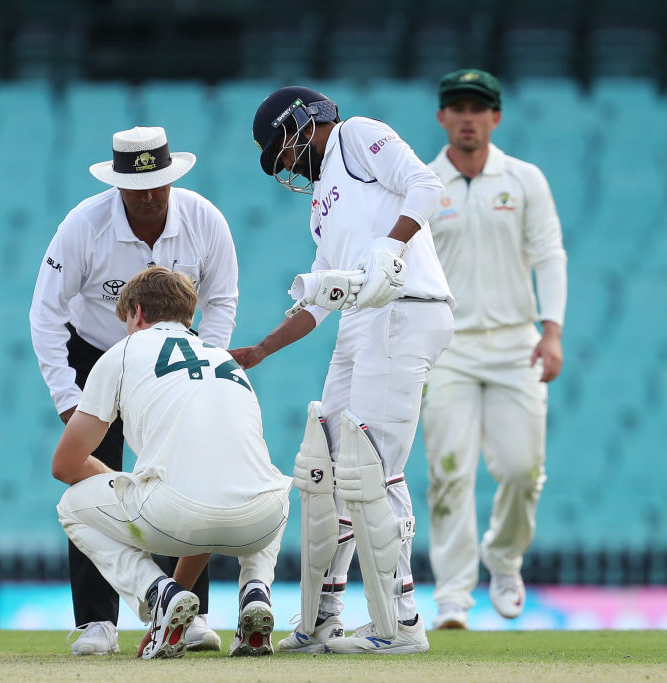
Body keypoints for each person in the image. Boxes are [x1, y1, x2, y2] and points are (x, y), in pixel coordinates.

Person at [233, 86, 455, 654]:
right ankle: (324, 615)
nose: (284, 165)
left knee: (371, 468)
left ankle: (401, 623)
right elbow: (318, 301)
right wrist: (260, 350)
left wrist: (392, 248)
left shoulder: (356, 135)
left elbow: (427, 185)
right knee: (324, 471)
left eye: (280, 151)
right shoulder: (318, 206)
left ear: (302, 124)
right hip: (361, 319)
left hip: (405, 307)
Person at [29, 126, 239, 655]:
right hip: (96, 356)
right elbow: (46, 313)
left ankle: (187, 615)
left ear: (172, 177)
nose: (147, 196)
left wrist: (201, 365)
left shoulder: (204, 220)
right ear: (117, 182)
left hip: (172, 358)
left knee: (185, 477)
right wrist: (66, 396)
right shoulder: (84, 225)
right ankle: (97, 623)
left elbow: (223, 299)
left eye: (158, 184)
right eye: (136, 186)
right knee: (88, 483)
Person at [52, 266, 291, 659]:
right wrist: (177, 599)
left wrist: (125, 485)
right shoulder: (225, 360)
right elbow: (209, 501)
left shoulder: (123, 352)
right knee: (261, 484)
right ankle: (255, 592)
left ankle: (155, 593)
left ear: (137, 313)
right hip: (263, 522)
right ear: (189, 316)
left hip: (175, 513)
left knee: (72, 505)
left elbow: (65, 465)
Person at [422, 69, 567, 630]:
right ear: (441, 116)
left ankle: (504, 561)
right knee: (449, 471)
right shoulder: (425, 185)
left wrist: (551, 331)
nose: (466, 117)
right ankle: (453, 596)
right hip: (449, 346)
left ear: (495, 117)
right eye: (456, 107)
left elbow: (550, 255)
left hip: (515, 344)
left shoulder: (525, 179)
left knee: (523, 469)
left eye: (477, 108)